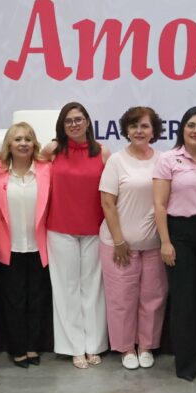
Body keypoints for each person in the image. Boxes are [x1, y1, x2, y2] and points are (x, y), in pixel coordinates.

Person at [153, 106, 196, 381]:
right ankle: (185, 364)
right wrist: (165, 242)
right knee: (183, 299)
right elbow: (159, 205)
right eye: (191, 125)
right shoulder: (168, 159)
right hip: (177, 232)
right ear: (182, 128)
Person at [99, 107, 167, 370]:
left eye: (145, 126)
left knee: (153, 298)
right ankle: (126, 348)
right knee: (121, 299)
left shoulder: (163, 160)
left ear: (154, 131)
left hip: (153, 245)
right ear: (126, 130)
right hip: (119, 245)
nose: (139, 131)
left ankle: (146, 346)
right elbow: (107, 202)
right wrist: (118, 241)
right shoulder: (116, 161)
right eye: (133, 126)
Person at [44, 102, 110, 369]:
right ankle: (73, 346)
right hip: (60, 228)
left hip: (95, 228)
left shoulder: (103, 152)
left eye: (78, 119)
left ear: (88, 122)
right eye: (69, 120)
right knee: (66, 289)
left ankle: (94, 345)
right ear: (62, 125)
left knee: (93, 288)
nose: (74, 124)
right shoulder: (52, 150)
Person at [0, 122, 51, 368]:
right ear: (9, 144)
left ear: (34, 143)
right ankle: (17, 348)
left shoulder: (46, 169)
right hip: (9, 247)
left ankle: (32, 346)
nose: (23, 143)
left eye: (28, 139)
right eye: (18, 139)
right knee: (13, 301)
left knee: (37, 300)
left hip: (39, 246)